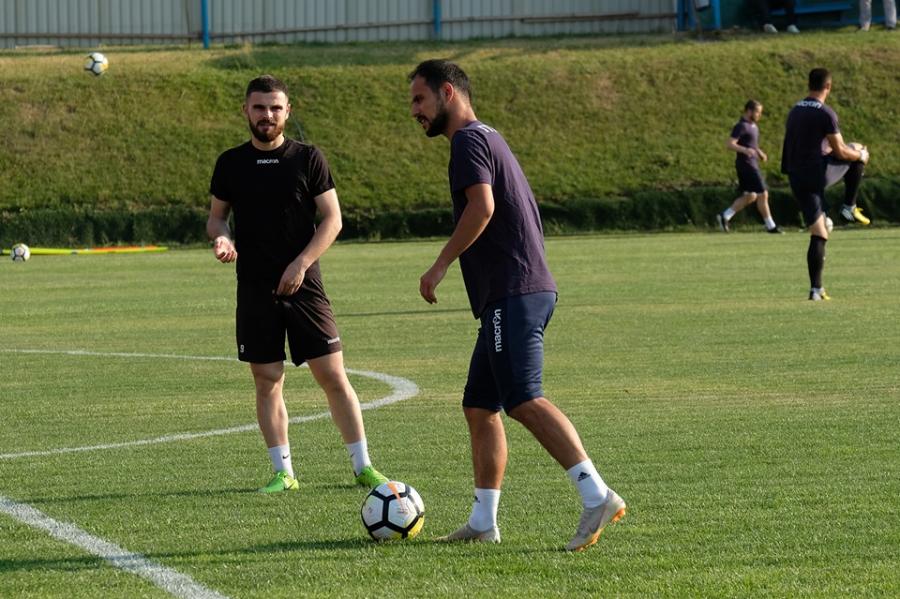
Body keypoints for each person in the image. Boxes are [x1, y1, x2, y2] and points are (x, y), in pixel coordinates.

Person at [408, 59, 626, 552]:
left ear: (448, 93)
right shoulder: (488, 136)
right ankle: (483, 521)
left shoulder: (467, 140)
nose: (415, 111)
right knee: (479, 405)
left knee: (524, 397)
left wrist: (440, 264)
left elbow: (482, 207)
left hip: (514, 291)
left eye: (420, 99)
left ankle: (596, 495)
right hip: (516, 291)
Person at [207, 75, 389, 493]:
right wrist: (223, 238)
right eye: (259, 107)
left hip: (305, 284)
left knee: (333, 375)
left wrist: (301, 264)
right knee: (267, 378)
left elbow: (333, 219)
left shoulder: (308, 158)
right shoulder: (230, 163)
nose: (267, 115)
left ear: (288, 111)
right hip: (255, 286)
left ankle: (363, 466)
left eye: (275, 108)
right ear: (245, 110)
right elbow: (217, 217)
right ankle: (283, 473)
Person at [781, 68, 871, 301]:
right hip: (817, 174)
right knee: (857, 150)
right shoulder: (825, 113)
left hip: (796, 176)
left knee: (820, 232)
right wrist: (859, 155)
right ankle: (849, 207)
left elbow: (803, 144)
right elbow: (840, 151)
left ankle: (816, 290)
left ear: (809, 84)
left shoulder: (795, 110)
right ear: (828, 86)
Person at [717, 100, 782, 234]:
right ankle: (771, 226)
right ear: (748, 111)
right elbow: (730, 144)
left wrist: (759, 152)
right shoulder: (741, 126)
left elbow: (752, 144)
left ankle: (725, 216)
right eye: (757, 112)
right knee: (763, 193)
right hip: (746, 165)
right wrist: (745, 150)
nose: (759, 115)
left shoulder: (754, 127)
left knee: (751, 196)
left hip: (752, 163)